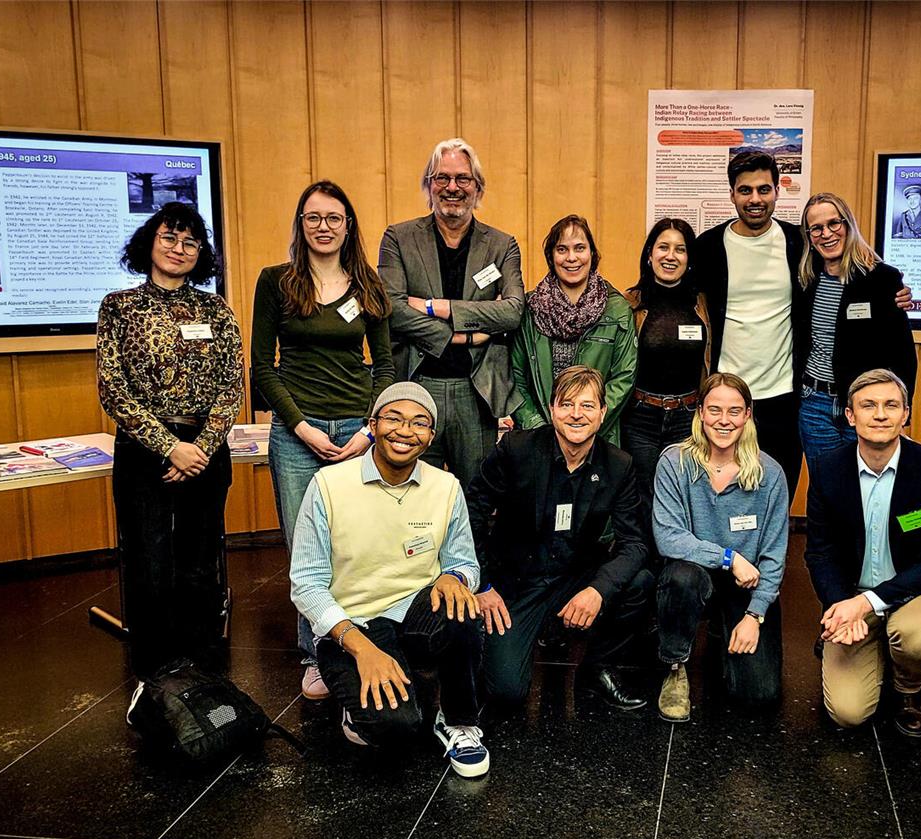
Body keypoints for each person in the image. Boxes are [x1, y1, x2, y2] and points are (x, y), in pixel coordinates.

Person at [289, 382, 489, 777]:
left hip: (415, 616)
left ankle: (459, 722)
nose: (404, 431)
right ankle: (356, 704)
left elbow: (465, 561)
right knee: (395, 728)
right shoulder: (329, 485)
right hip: (351, 628)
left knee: (464, 609)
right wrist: (362, 650)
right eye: (393, 418)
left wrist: (454, 576)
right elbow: (306, 584)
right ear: (372, 424)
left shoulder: (445, 486)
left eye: (419, 423)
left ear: (431, 437)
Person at [696, 149, 911, 502]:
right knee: (724, 492)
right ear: (732, 194)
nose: (755, 199)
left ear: (778, 191)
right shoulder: (708, 247)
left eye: (764, 189)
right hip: (729, 394)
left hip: (786, 396)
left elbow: (851, 264)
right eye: (745, 190)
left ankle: (773, 559)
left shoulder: (797, 243)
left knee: (781, 490)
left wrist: (894, 292)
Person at [252, 180, 395, 702]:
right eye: (313, 217)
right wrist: (301, 427)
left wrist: (367, 430)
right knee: (305, 548)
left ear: (348, 225)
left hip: (358, 430)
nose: (324, 226)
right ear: (301, 224)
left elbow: (384, 368)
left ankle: (361, 645)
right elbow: (262, 370)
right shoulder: (276, 282)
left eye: (334, 217)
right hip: (297, 434)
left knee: (354, 545)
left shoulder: (368, 285)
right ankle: (315, 656)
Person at [97, 202, 244, 681]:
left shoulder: (214, 309)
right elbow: (112, 390)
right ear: (149, 242)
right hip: (144, 451)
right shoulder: (119, 306)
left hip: (205, 447)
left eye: (190, 242)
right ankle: (154, 672)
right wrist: (169, 447)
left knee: (200, 562)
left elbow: (231, 386)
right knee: (149, 561)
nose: (178, 249)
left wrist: (197, 447)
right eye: (169, 238)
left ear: (200, 254)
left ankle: (202, 668)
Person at [466, 365, 652, 710]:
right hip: (516, 584)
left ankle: (596, 671)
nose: (577, 415)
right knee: (507, 693)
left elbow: (635, 544)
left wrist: (597, 591)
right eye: (566, 404)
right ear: (552, 410)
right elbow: (470, 515)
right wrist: (483, 585)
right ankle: (491, 641)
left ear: (602, 412)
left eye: (587, 405)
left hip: (574, 576)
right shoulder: (517, 450)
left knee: (639, 582)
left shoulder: (618, 465)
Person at [805, 369, 921, 738]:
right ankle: (867, 646)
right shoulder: (828, 471)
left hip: (916, 593)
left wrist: (866, 604)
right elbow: (820, 553)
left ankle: (908, 689)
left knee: (916, 637)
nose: (880, 414)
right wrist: (841, 604)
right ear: (849, 415)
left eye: (891, 405)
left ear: (905, 414)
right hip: (852, 595)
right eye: (868, 406)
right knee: (848, 714)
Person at [380, 138, 525, 487]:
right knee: (410, 494)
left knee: (475, 497)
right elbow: (392, 309)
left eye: (463, 179)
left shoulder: (502, 245)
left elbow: (513, 311)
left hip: (475, 393)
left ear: (478, 187)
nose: (452, 188)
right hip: (415, 387)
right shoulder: (398, 238)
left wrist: (436, 307)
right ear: (429, 185)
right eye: (441, 178)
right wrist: (459, 336)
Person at [652, 373, 789, 721]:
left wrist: (755, 615)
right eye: (714, 410)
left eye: (734, 411)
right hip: (695, 575)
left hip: (747, 585)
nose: (723, 420)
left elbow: (774, 555)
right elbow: (669, 537)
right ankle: (675, 667)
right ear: (699, 413)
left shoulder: (770, 474)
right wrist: (728, 557)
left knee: (759, 695)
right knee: (682, 577)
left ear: (747, 415)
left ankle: (723, 627)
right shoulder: (674, 463)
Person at [797, 192, 917, 472]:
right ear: (809, 236)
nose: (826, 234)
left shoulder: (882, 279)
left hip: (866, 406)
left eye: (833, 224)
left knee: (869, 486)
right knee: (826, 488)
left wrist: (899, 408)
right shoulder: (805, 277)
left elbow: (903, 352)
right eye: (816, 228)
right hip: (815, 405)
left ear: (848, 225)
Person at [510, 215, 637, 445]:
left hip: (599, 439)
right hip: (539, 438)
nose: (571, 258)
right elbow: (516, 376)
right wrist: (538, 428)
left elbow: (624, 377)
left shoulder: (616, 309)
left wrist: (585, 426)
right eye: (562, 249)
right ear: (551, 256)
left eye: (580, 248)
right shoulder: (530, 308)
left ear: (592, 254)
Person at [622, 218, 711, 521]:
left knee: (683, 495)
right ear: (649, 254)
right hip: (641, 418)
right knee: (643, 497)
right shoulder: (629, 303)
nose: (670, 256)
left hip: (688, 418)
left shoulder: (702, 304)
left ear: (689, 259)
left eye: (680, 249)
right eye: (663, 247)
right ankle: (645, 563)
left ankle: (678, 565)